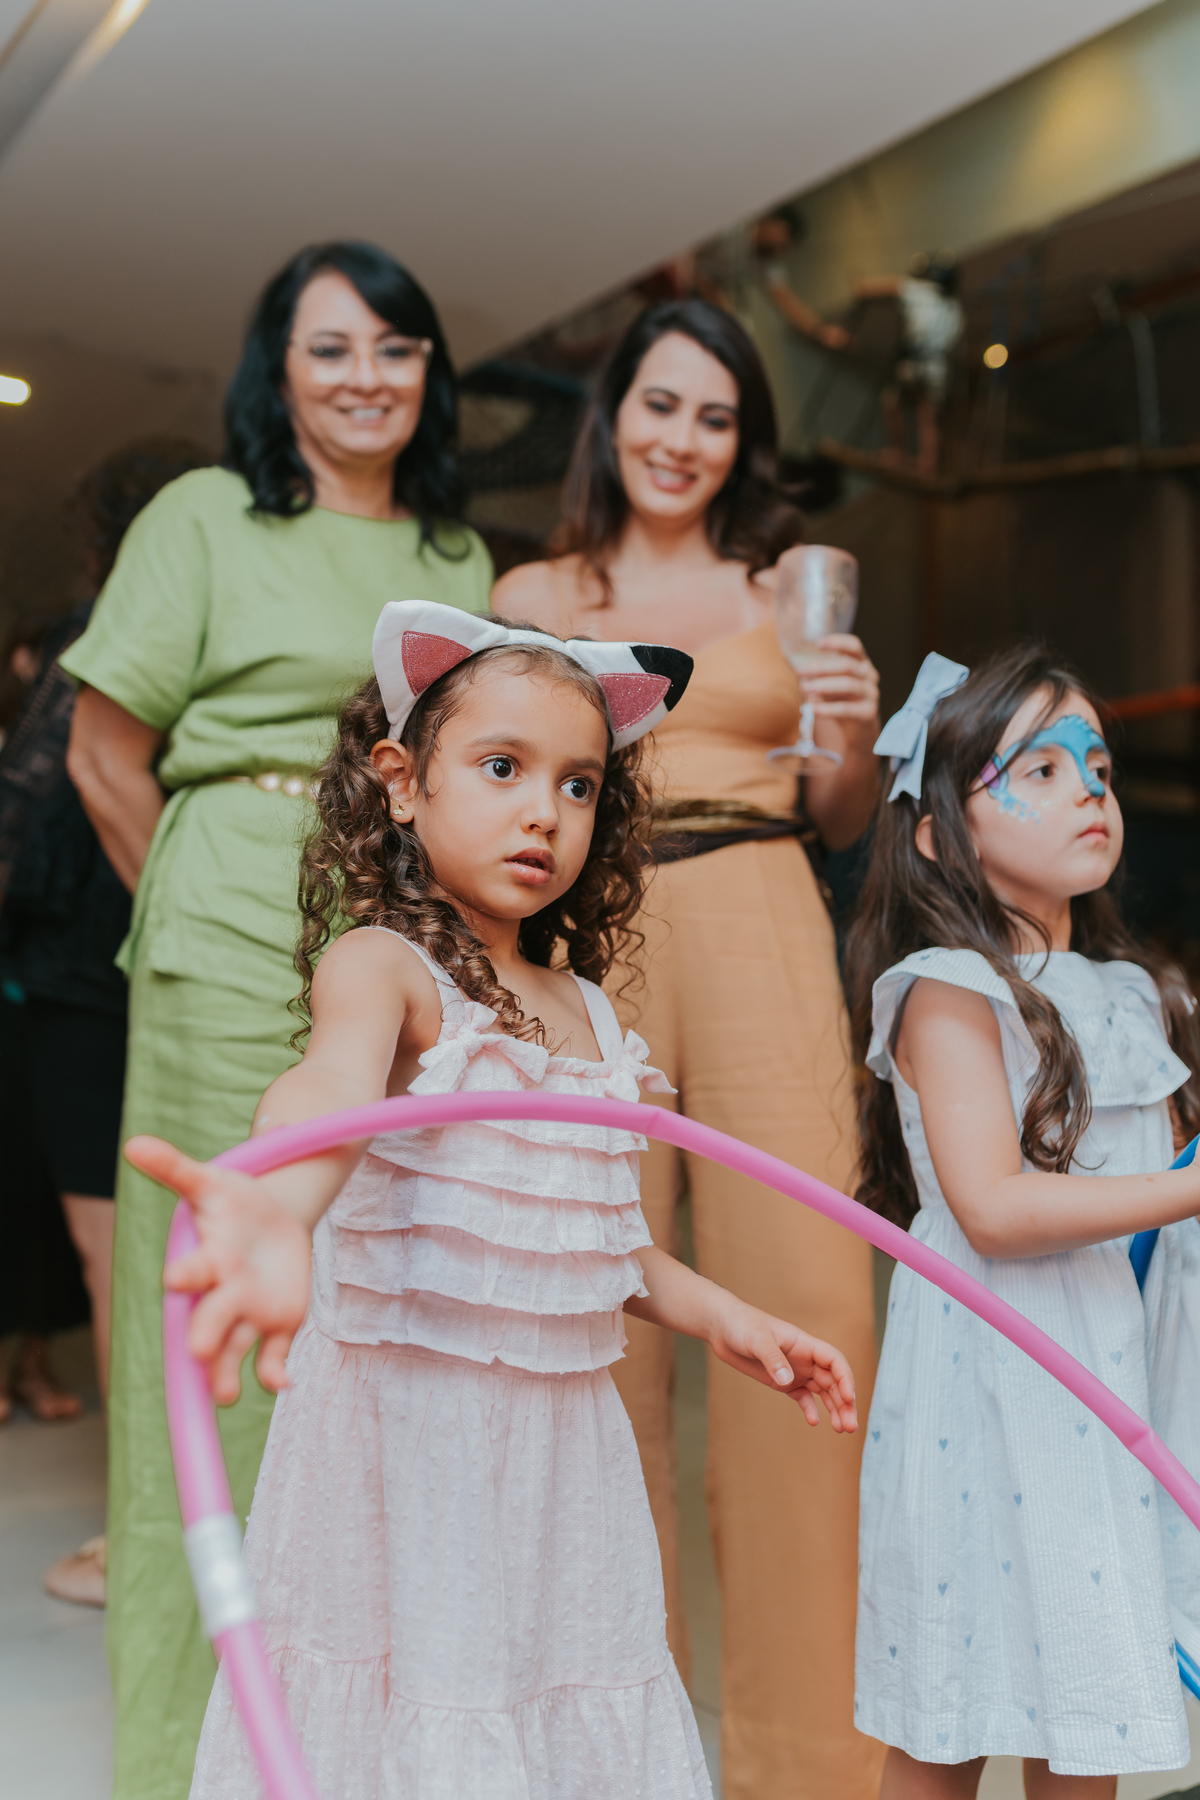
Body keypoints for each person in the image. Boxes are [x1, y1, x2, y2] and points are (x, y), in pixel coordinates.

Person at [127, 602, 861, 1799]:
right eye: (503, 767)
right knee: (423, 1714)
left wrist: (730, 1318)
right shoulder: (384, 967)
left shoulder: (590, 1012)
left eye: (579, 785)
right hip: (414, 1441)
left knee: (556, 1704)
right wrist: (278, 1202)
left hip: (566, 1461)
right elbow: (327, 1090)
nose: (544, 812)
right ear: (401, 783)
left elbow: (590, 1241)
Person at [61, 243, 493, 1800]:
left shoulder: (457, 552)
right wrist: (205, 907)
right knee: (211, 1324)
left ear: (430, 372)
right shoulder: (205, 515)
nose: (366, 376)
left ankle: (343, 1751)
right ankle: (178, 1759)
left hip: (398, 944)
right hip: (230, 924)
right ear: (278, 373)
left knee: (379, 1322)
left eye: (396, 347)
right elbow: (104, 752)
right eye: (331, 349)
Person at [494, 298, 884, 1800]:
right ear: (614, 417)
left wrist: (849, 735)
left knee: (809, 1305)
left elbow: (837, 817)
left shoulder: (792, 587)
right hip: (592, 941)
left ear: (744, 443)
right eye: (662, 406)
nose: (683, 440)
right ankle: (618, 1761)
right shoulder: (538, 588)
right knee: (598, 1329)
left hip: (768, 915)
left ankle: (818, 1767)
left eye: (717, 418)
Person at [847, 645, 1200, 1797]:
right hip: (990, 1384)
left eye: (1098, 767)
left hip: (1113, 1379)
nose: (1090, 789)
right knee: (950, 1712)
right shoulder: (949, 989)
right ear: (940, 834)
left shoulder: (1138, 993)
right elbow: (995, 1208)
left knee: (1089, 1706)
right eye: (1041, 770)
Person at [0, 438, 213, 1607]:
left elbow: (28, 804)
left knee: (123, 1259)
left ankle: (154, 1533)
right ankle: (167, 1522)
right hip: (137, 966)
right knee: (166, 1252)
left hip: (94, 973)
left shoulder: (104, 626)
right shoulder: (182, 620)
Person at [854, 253, 964, 476]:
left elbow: (881, 287)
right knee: (927, 416)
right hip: (938, 366)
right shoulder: (955, 308)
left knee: (891, 401)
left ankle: (899, 452)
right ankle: (927, 463)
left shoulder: (920, 290)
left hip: (916, 361)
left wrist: (861, 285)